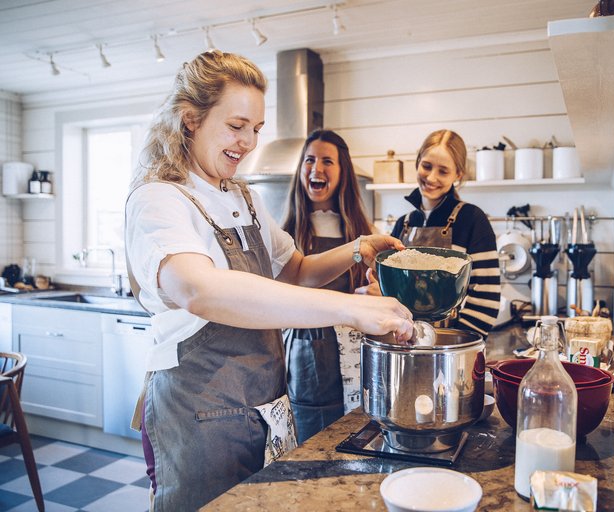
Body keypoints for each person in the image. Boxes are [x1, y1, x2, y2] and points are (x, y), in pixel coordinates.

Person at [124, 51, 413, 512]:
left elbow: (295, 269)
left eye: (256, 129)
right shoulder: (159, 199)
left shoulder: (243, 197)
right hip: (199, 411)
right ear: (190, 119)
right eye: (237, 125)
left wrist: (359, 247)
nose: (248, 142)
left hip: (263, 405)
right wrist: (351, 308)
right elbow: (199, 289)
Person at [281, 129, 374, 443]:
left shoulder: (364, 232)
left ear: (342, 171)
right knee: (312, 444)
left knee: (353, 439)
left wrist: (373, 293)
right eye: (309, 160)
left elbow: (379, 292)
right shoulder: (286, 234)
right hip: (305, 359)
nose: (315, 168)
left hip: (355, 354)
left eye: (327, 161)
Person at [365, 129, 501, 336]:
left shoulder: (472, 219)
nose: (431, 177)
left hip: (451, 347)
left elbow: (486, 299)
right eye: (426, 166)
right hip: (403, 341)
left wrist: (451, 345)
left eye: (443, 171)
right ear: (417, 163)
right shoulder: (403, 224)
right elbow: (386, 288)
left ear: (458, 174)